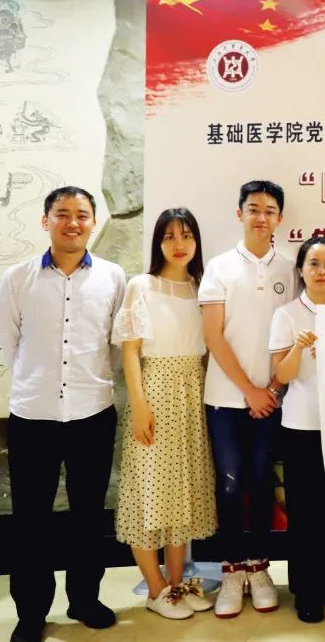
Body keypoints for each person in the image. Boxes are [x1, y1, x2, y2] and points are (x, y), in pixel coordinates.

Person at [0, 186, 126, 642]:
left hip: (92, 412)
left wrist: (91, 381)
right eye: (62, 213)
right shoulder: (18, 278)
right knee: (30, 520)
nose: (73, 222)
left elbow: (115, 345)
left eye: (82, 214)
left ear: (93, 222)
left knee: (88, 514)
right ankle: (31, 612)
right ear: (45, 220)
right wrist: (39, 384)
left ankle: (85, 599)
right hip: (33, 416)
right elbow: (10, 344)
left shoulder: (113, 277)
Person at [112, 208, 217, 620]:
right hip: (154, 391)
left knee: (183, 492)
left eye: (186, 235)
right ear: (158, 242)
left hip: (192, 393)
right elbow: (130, 351)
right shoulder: (142, 285)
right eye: (169, 236)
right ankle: (156, 590)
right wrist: (139, 406)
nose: (179, 244)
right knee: (148, 490)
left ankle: (176, 585)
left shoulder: (200, 287)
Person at [199, 180, 297, 617]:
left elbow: (295, 332)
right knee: (229, 482)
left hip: (272, 398)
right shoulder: (219, 267)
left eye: (269, 211)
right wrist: (250, 391)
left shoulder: (290, 268)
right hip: (225, 398)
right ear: (239, 214)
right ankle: (230, 571)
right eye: (254, 209)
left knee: (260, 480)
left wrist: (270, 390)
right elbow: (213, 337)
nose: (261, 217)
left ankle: (258, 568)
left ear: (279, 218)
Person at [270, 236, 325, 623]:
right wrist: (298, 349)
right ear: (301, 270)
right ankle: (306, 591)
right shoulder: (287, 314)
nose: (321, 271)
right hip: (301, 425)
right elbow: (282, 375)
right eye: (313, 264)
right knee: (305, 512)